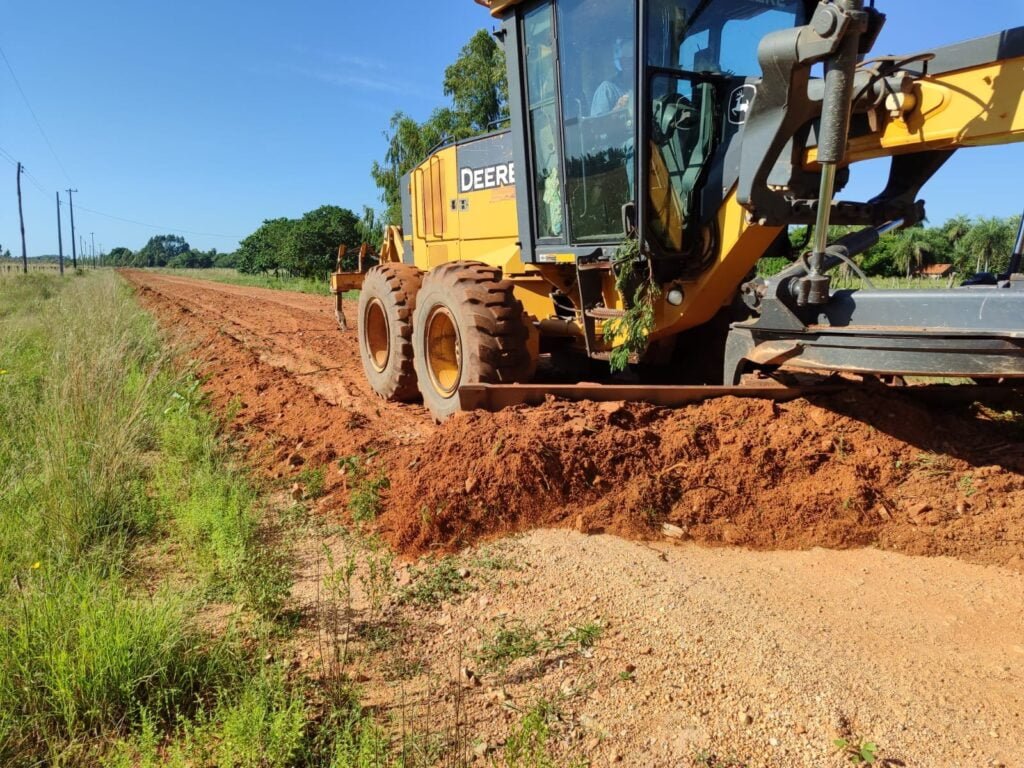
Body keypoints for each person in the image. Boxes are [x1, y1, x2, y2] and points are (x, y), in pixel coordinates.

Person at [590, 37, 635, 116]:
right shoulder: (607, 89)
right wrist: (617, 109)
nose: (632, 65)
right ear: (621, 63)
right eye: (628, 61)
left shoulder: (652, 89)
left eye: (634, 60)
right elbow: (596, 126)